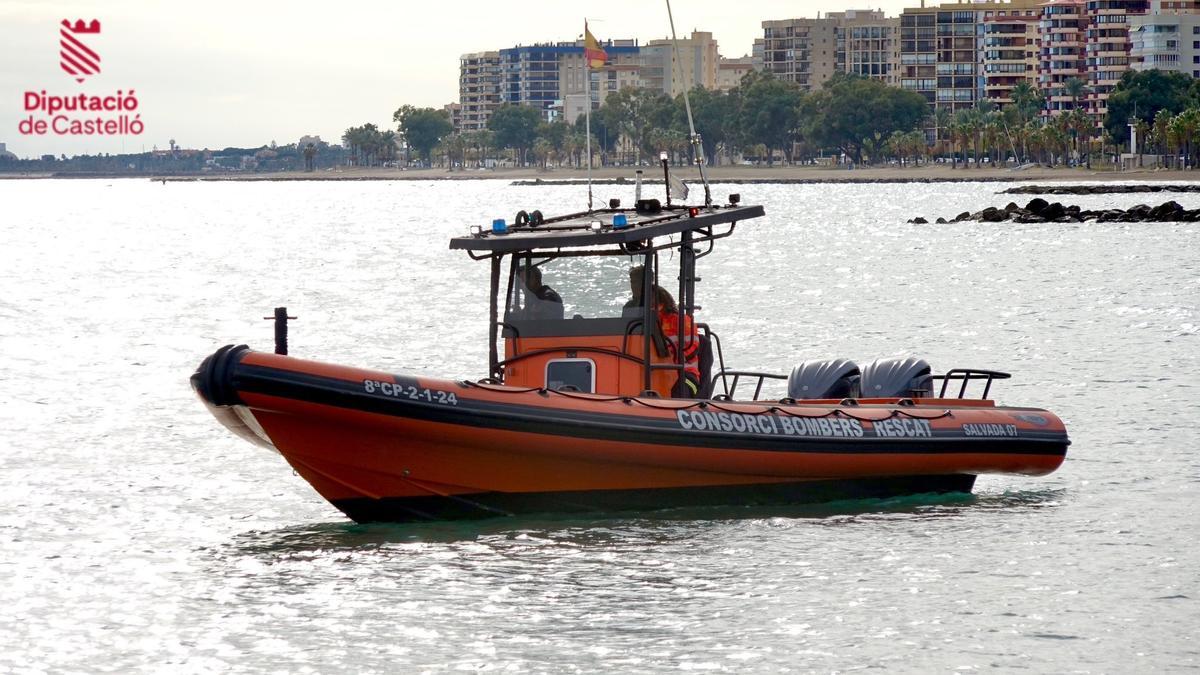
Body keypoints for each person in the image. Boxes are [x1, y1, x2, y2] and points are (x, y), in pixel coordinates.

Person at [653, 286, 701, 398]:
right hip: (656, 374)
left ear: (661, 303)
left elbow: (691, 348)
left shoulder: (682, 321)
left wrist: (670, 360)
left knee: (680, 389)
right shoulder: (644, 324)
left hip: (685, 374)